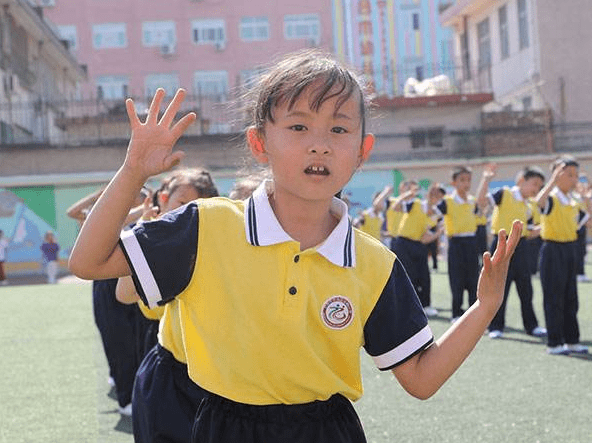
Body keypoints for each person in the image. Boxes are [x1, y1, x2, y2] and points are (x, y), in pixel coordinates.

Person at [68, 50, 521, 443]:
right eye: (299, 127)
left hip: (327, 431)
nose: (319, 146)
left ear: (363, 151)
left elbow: (421, 378)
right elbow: (89, 261)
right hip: (221, 426)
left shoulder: (373, 264)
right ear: (259, 142)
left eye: (338, 131)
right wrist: (132, 172)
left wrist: (484, 306)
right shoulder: (206, 226)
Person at [115, 167, 218, 443]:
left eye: (197, 207)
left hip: (214, 378)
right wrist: (142, 238)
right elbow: (124, 294)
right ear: (163, 199)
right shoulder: (161, 245)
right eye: (181, 204)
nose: (186, 215)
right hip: (170, 373)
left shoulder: (215, 247)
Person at [66, 185, 151, 416]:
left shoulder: (149, 213)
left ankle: (136, 389)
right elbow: (72, 212)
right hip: (107, 283)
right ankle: (125, 398)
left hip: (138, 281)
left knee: (140, 339)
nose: (136, 196)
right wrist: (100, 194)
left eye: (139, 194)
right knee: (116, 339)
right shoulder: (104, 217)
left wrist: (146, 205)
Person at [479, 165, 547, 339]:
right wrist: (486, 179)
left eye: (540, 186)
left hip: (522, 246)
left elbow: (531, 231)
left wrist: (547, 226)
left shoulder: (530, 205)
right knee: (500, 287)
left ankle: (531, 326)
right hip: (501, 244)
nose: (536, 189)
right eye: (535, 184)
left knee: (526, 289)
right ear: (521, 181)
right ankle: (495, 326)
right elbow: (481, 202)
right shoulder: (505, 193)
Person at [535, 155, 589, 355]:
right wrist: (553, 179)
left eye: (576, 175)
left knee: (570, 298)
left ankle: (572, 340)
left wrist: (586, 197)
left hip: (570, 249)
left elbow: (585, 220)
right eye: (569, 175)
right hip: (552, 250)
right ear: (557, 176)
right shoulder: (552, 197)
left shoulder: (573, 201)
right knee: (554, 297)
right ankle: (554, 342)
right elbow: (538, 201)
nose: (574, 179)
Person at [436, 165, 488, 322]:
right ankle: (456, 313)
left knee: (473, 279)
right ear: (453, 183)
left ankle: (473, 313)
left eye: (469, 180)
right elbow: (432, 214)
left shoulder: (472, 201)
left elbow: (480, 213)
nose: (466, 183)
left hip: (472, 242)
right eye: (462, 180)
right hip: (456, 243)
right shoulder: (447, 202)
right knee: (457, 279)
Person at [390, 181, 442, 317]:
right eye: (434, 195)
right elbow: (395, 207)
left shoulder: (435, 214)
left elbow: (426, 238)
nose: (435, 199)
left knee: (424, 276)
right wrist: (407, 194)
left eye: (439, 197)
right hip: (403, 243)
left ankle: (426, 305)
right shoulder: (415, 204)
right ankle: (409, 306)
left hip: (419, 245)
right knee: (409, 275)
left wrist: (437, 234)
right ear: (429, 195)